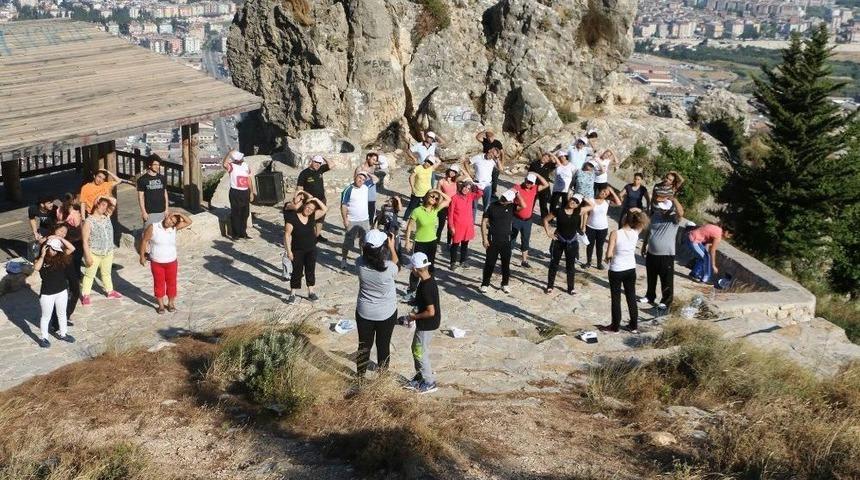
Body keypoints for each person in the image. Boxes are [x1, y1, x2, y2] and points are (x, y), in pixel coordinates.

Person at [355, 229, 400, 380]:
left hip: (364, 312)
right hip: (386, 313)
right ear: (383, 248)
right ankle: (381, 378)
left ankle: (360, 377)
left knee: (364, 347)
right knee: (383, 346)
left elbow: (367, 255)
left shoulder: (359, 263)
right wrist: (392, 247)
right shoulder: (388, 268)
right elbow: (396, 264)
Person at [600, 210, 649, 334]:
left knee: (616, 299)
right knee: (631, 297)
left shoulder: (615, 233)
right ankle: (633, 326)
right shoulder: (635, 232)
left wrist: (607, 259)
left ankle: (615, 326)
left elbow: (609, 253)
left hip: (617, 269)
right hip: (630, 269)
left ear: (623, 220)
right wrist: (637, 212)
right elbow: (643, 221)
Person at [138, 212, 192, 314]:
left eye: (173, 222)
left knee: (172, 283)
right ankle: (161, 305)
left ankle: (171, 303)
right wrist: (142, 256)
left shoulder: (174, 229)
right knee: (159, 284)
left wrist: (178, 214)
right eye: (170, 219)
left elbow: (189, 221)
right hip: (157, 262)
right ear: (167, 216)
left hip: (172, 261)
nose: (170, 222)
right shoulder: (153, 227)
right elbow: (145, 241)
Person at [403, 189, 450, 301]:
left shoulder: (435, 209)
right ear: (427, 196)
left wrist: (437, 191)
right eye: (432, 196)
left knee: (430, 267)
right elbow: (409, 227)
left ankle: (427, 288)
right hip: (419, 242)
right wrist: (407, 241)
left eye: (436, 198)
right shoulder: (417, 210)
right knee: (416, 268)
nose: (433, 198)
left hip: (432, 242)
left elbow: (448, 199)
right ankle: (411, 291)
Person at [640, 197, 685, 311]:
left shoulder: (674, 219)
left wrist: (674, 199)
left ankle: (666, 301)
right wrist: (644, 245)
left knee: (666, 279)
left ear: (671, 209)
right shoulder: (655, 216)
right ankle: (650, 296)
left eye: (665, 209)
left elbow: (681, 212)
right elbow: (650, 231)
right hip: (652, 252)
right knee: (651, 277)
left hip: (666, 255)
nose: (662, 211)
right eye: (662, 208)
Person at [405, 251, 441, 394]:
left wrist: (415, 317)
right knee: (416, 348)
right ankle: (420, 376)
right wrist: (415, 301)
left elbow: (430, 311)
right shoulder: (429, 280)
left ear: (415, 269)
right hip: (427, 324)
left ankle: (429, 382)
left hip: (427, 325)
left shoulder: (426, 287)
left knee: (420, 352)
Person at [543, 194, 592, 295]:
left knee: (570, 267)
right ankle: (550, 286)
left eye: (576, 202)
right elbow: (545, 220)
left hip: (572, 243)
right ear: (569, 199)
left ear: (578, 205)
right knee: (553, 264)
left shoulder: (578, 211)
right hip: (558, 241)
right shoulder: (558, 210)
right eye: (573, 199)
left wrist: (583, 198)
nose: (574, 202)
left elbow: (591, 206)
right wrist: (548, 233)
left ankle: (571, 288)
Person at [33, 236, 77, 348]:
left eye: (57, 250)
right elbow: (37, 268)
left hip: (61, 291)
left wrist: (59, 238)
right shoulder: (40, 259)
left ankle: (63, 334)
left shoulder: (61, 257)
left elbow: (72, 248)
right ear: (46, 248)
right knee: (46, 317)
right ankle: (44, 338)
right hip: (47, 294)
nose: (55, 252)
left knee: (62, 314)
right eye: (53, 249)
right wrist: (42, 255)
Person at [283, 196, 327, 304]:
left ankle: (311, 292)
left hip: (311, 249)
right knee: (297, 272)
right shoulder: (292, 218)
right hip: (297, 250)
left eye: (312, 209)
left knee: (310, 270)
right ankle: (292, 293)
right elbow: (287, 235)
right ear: (304, 206)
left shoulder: (312, 216)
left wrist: (316, 200)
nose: (309, 210)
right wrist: (289, 251)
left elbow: (324, 209)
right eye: (308, 207)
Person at [480, 190, 525, 294]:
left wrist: (517, 194)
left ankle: (505, 284)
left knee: (505, 264)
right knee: (490, 263)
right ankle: (485, 284)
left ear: (509, 201)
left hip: (506, 241)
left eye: (505, 199)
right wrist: (484, 239)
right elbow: (483, 222)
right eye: (503, 197)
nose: (502, 200)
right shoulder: (491, 206)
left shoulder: (511, 207)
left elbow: (524, 205)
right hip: (493, 240)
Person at [81, 196, 122, 305]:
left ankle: (110, 291)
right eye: (103, 205)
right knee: (90, 275)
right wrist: (87, 256)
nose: (105, 208)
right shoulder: (88, 222)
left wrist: (105, 197)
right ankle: (86, 294)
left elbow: (114, 202)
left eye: (106, 206)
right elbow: (85, 241)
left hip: (108, 251)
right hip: (94, 252)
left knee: (106, 273)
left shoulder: (107, 216)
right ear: (97, 204)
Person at [511, 172, 549, 268]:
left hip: (527, 220)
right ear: (524, 180)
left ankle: (524, 261)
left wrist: (537, 174)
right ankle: (506, 257)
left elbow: (546, 184)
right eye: (527, 181)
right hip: (516, 218)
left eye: (531, 182)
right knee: (512, 239)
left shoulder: (534, 188)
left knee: (525, 240)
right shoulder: (518, 187)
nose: (529, 184)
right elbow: (509, 193)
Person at [340, 171, 377, 268]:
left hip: (365, 220)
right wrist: (345, 219)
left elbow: (376, 179)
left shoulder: (365, 186)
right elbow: (343, 205)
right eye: (359, 178)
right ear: (355, 177)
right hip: (352, 220)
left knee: (364, 241)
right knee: (348, 242)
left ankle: (363, 258)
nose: (361, 180)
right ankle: (344, 259)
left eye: (363, 179)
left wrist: (367, 172)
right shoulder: (348, 190)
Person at [447, 181, 483, 270]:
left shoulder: (470, 196)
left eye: (468, 188)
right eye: (465, 187)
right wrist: (451, 226)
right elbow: (450, 213)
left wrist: (475, 185)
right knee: (455, 245)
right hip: (457, 226)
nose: (466, 189)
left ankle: (462, 261)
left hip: (467, 226)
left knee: (465, 244)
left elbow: (480, 193)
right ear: (461, 187)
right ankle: (452, 263)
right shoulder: (454, 198)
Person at [584, 186, 621, 270]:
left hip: (603, 228)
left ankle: (599, 264)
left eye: (606, 193)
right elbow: (585, 213)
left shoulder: (607, 202)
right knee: (589, 245)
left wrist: (612, 192)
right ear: (599, 190)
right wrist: (584, 225)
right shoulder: (591, 200)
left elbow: (619, 203)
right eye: (603, 191)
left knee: (599, 246)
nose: (604, 194)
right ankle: (588, 262)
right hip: (590, 226)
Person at [222, 150, 256, 240]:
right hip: (235, 192)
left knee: (245, 213)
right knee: (236, 213)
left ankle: (243, 233)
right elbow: (224, 164)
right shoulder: (231, 166)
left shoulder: (245, 165)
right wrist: (228, 153)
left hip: (245, 191)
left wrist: (251, 192)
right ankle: (235, 234)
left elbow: (248, 179)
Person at [296, 155, 331, 241]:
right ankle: (308, 235)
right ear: (311, 161)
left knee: (321, 219)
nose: (317, 164)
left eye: (319, 163)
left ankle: (317, 235)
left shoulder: (320, 169)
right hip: (310, 201)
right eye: (316, 162)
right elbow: (299, 189)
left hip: (321, 199)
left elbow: (332, 165)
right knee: (310, 218)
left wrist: (324, 157)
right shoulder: (304, 173)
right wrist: (302, 198)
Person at [464, 146, 500, 214]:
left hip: (488, 185)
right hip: (477, 184)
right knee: (474, 205)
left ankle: (484, 223)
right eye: (492, 153)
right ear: (489, 150)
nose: (492, 156)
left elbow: (501, 169)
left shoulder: (493, 161)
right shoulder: (478, 157)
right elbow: (466, 163)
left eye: (494, 155)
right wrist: (470, 173)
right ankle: (472, 223)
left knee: (486, 206)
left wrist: (497, 158)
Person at [137, 155, 169, 228]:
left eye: (158, 164)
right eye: (155, 164)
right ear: (149, 165)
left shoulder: (162, 178)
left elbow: (165, 194)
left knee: (161, 232)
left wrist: (166, 209)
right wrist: (143, 212)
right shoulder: (142, 180)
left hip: (162, 210)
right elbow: (140, 197)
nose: (157, 166)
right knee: (148, 233)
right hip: (149, 211)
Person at [355, 152, 382, 224]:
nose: (374, 162)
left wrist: (368, 172)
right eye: (373, 159)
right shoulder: (359, 168)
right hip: (363, 197)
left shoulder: (372, 167)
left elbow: (376, 178)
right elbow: (356, 182)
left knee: (371, 217)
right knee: (361, 217)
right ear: (368, 157)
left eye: (375, 160)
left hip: (372, 197)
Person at [436, 164, 461, 242]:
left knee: (450, 226)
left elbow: (467, 176)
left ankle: (448, 242)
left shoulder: (456, 181)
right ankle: (437, 241)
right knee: (441, 225)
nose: (452, 173)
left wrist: (461, 169)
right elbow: (438, 193)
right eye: (452, 171)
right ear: (448, 170)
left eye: (455, 172)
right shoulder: (441, 181)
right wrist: (438, 205)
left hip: (453, 206)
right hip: (444, 206)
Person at [528, 152, 556, 219]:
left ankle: (544, 219)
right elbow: (529, 173)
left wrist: (551, 155)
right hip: (535, 186)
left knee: (543, 204)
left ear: (548, 160)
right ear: (541, 156)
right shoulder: (534, 164)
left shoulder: (549, 165)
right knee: (531, 201)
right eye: (544, 156)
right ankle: (528, 215)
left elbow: (556, 162)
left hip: (544, 187)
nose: (544, 158)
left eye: (546, 158)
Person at [476, 130, 504, 197]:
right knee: (486, 177)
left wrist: (502, 162)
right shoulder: (485, 141)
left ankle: (493, 192)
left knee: (495, 178)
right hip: (486, 162)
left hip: (495, 162)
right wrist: (483, 131)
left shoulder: (497, 142)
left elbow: (502, 153)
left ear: (493, 136)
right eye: (488, 137)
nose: (490, 139)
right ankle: (484, 191)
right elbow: (477, 137)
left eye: (491, 137)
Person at [375, 196, 403, 263]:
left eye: (391, 201)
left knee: (396, 245)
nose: (389, 202)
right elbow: (380, 216)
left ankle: (399, 259)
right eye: (389, 200)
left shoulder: (395, 208)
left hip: (394, 229)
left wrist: (398, 200)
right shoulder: (384, 207)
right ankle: (386, 258)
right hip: (386, 228)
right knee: (386, 244)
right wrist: (377, 224)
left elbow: (400, 209)